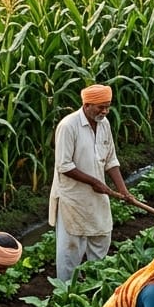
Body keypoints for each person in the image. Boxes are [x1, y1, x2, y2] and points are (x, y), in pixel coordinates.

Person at [51, 84, 133, 281]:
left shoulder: (104, 124)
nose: (104, 111)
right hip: (73, 196)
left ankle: (95, 281)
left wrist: (123, 190)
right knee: (71, 245)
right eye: (100, 107)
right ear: (86, 105)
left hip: (97, 195)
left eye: (107, 106)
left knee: (102, 235)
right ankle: (65, 290)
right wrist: (95, 182)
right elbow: (64, 165)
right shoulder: (68, 126)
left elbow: (111, 160)